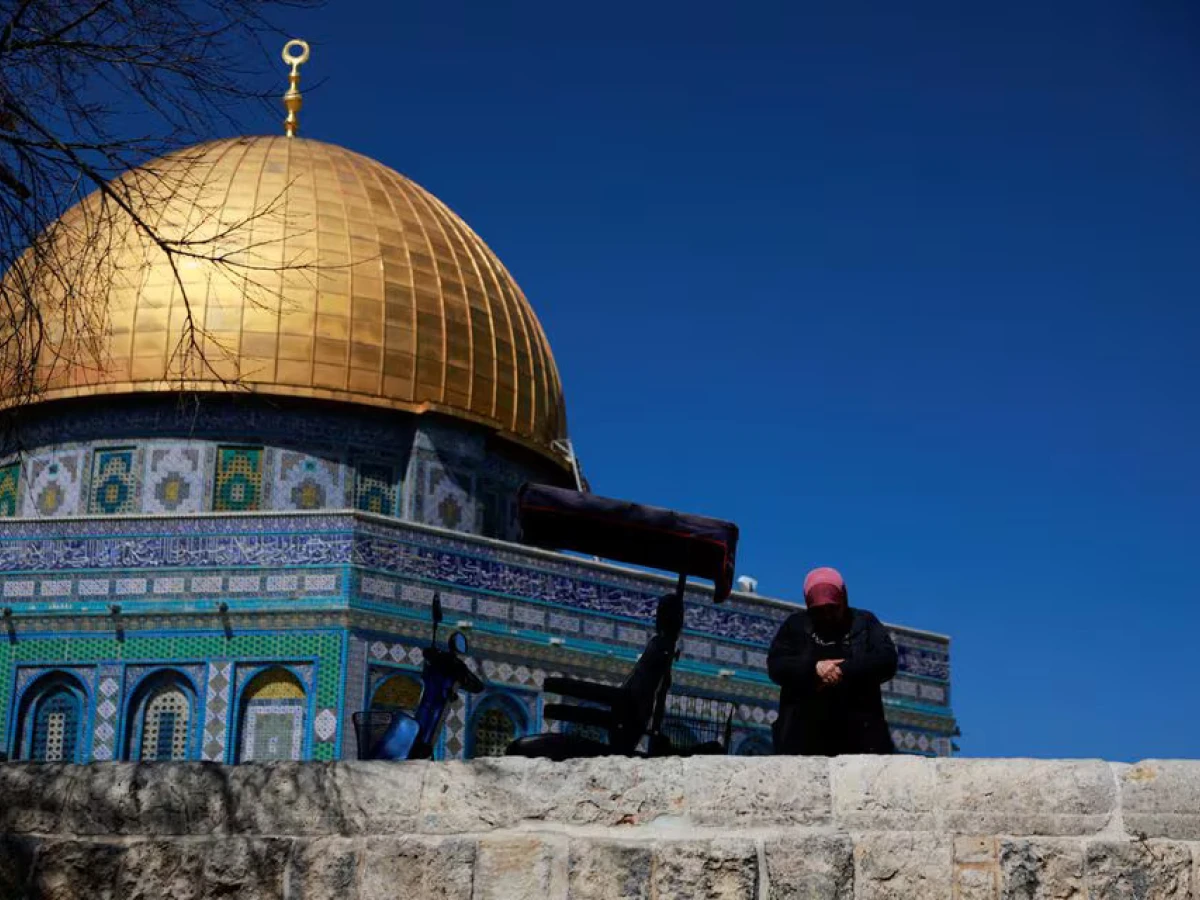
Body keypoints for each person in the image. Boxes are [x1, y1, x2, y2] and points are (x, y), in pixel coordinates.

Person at [768, 566, 898, 755]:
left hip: (860, 738)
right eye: (819, 610)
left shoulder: (864, 623)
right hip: (803, 740)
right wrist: (815, 668)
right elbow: (777, 665)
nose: (827, 615)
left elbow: (886, 660)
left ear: (843, 599)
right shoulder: (795, 626)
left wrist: (843, 670)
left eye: (833, 608)